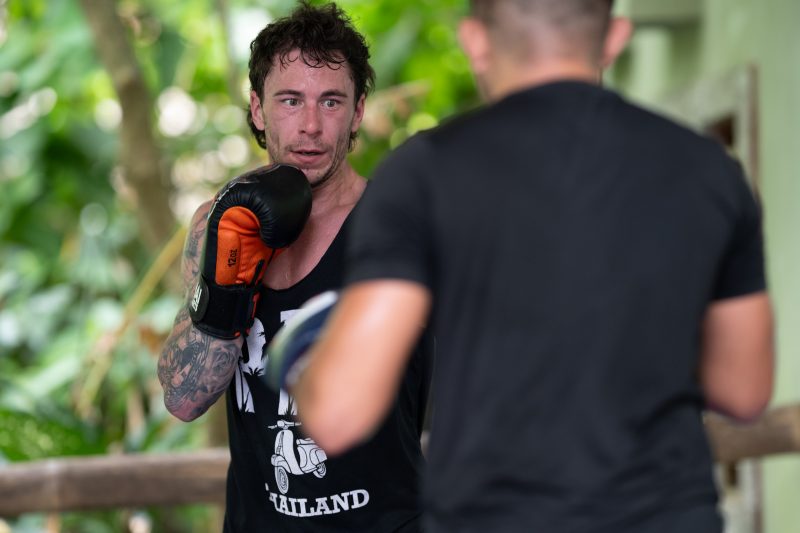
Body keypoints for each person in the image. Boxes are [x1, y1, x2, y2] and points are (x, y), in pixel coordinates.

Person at [286, 1, 775, 532]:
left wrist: (301, 359)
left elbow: (338, 414)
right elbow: (744, 390)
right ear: (614, 38)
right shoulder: (707, 169)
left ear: (475, 42)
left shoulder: (425, 174)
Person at [157, 2, 432, 531]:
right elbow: (183, 398)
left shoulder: (403, 227)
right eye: (290, 100)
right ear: (258, 109)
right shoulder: (217, 223)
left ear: (357, 112)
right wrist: (227, 289)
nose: (310, 126)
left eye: (331, 101)